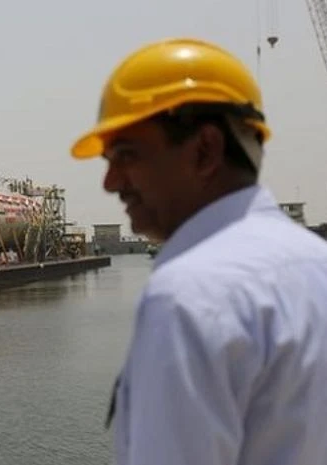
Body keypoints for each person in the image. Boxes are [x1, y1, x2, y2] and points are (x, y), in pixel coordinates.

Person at [71, 37, 327, 465]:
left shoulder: (190, 296)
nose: (110, 182)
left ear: (205, 150)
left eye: (127, 155)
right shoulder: (317, 265)